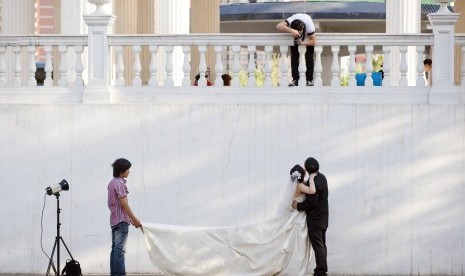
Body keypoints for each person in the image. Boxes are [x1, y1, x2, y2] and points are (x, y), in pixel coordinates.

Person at [141, 164, 315, 275]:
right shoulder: (301, 186)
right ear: (301, 176)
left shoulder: (294, 186)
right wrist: (313, 178)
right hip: (294, 218)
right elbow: (312, 192)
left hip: (292, 216)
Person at [292, 157, 328, 276]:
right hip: (324, 217)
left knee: (318, 246)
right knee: (322, 244)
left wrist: (298, 206)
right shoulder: (322, 177)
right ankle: (322, 269)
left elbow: (312, 203)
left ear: (307, 169)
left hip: (315, 219)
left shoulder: (312, 184)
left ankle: (321, 271)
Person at [108, 158, 142, 276]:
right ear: (122, 170)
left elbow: (117, 204)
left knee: (115, 249)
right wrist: (135, 219)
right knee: (120, 250)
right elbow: (124, 204)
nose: (129, 171)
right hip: (121, 221)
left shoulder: (112, 182)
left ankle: (114, 274)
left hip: (114, 220)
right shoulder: (120, 183)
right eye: (128, 169)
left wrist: (131, 219)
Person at [276, 13, 317, 87]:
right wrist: (292, 31)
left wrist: (303, 43)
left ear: (303, 28)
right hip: (293, 30)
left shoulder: (309, 26)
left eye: (300, 32)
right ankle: (295, 80)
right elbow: (278, 26)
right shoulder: (291, 20)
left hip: (308, 36)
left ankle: (309, 80)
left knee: (309, 57)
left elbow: (314, 41)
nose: (299, 35)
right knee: (294, 57)